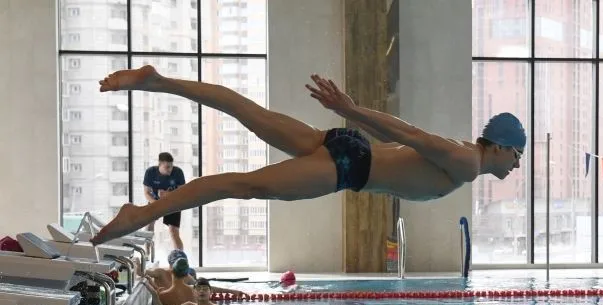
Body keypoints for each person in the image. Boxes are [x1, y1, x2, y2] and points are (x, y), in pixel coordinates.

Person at [89, 65, 525, 245]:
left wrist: (350, 113)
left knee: (247, 110)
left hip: (349, 147)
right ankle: (141, 216)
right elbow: (412, 133)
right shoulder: (469, 163)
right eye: (517, 155)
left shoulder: (465, 157)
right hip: (350, 165)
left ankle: (158, 81)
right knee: (241, 185)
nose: (517, 164)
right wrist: (350, 108)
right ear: (500, 146)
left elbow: (400, 137)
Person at [143, 152, 186, 250]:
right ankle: (147, 254)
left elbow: (183, 193)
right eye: (167, 167)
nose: (170, 169)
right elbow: (146, 192)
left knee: (173, 231)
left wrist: (168, 195)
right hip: (155, 202)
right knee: (149, 227)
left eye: (171, 166)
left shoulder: (178, 172)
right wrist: (156, 204)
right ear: (159, 165)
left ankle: (180, 258)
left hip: (173, 203)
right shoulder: (150, 172)